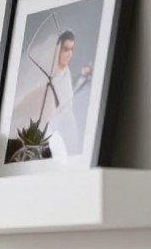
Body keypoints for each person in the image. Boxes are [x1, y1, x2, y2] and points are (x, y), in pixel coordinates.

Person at [11, 29, 92, 159]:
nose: (70, 54)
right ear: (58, 49)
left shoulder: (66, 75)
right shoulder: (43, 78)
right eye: (66, 49)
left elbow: (65, 104)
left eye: (72, 49)